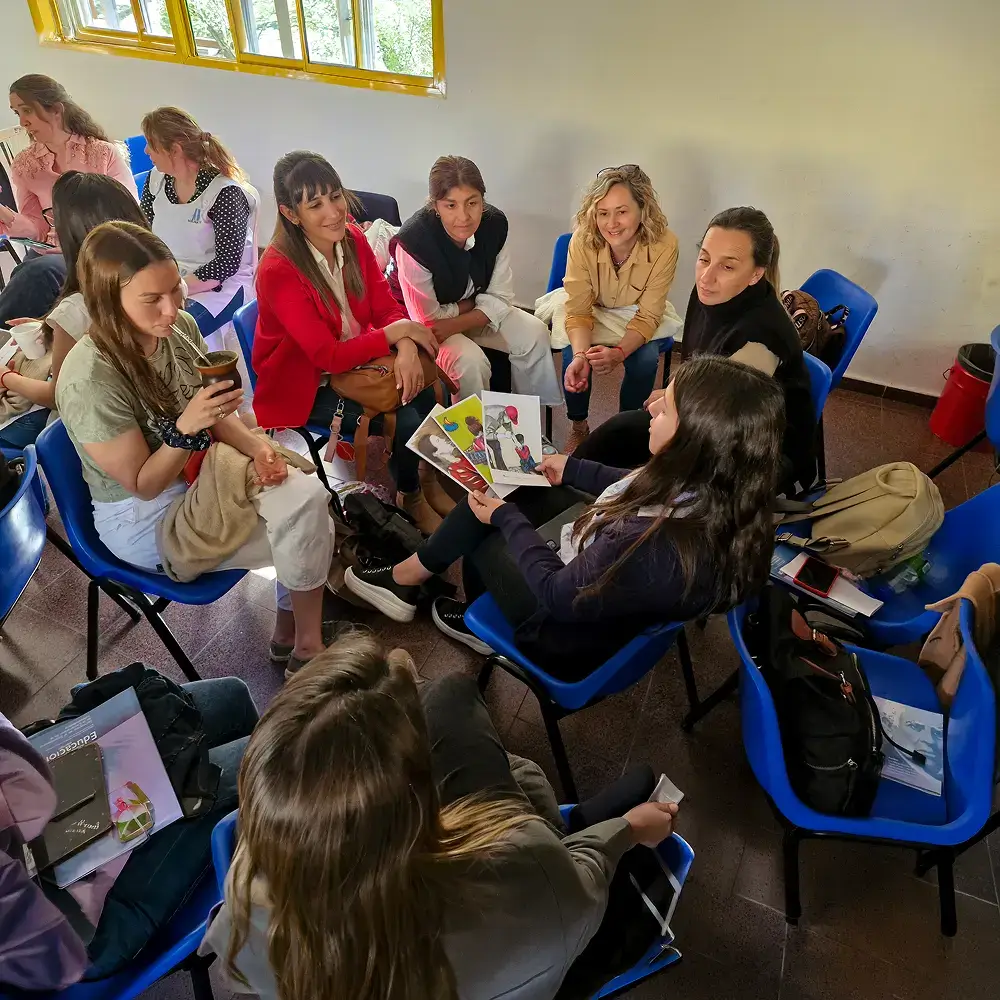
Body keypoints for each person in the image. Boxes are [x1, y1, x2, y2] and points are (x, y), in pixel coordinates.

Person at [200, 636, 681, 1000]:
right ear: (418, 798)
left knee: (478, 727)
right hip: (531, 915)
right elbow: (580, 890)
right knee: (515, 762)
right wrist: (629, 830)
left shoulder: (247, 908)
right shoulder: (525, 871)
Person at [346, 356, 784, 672]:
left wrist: (506, 520)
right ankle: (412, 575)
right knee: (510, 488)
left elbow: (556, 593)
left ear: (695, 440)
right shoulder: (720, 488)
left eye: (666, 408)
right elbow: (638, 483)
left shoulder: (643, 543)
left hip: (559, 632)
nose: (651, 408)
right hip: (601, 589)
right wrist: (572, 468)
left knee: (485, 516)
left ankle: (418, 588)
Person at [55, 221, 336, 675]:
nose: (172, 309)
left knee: (305, 497)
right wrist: (187, 426)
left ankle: (295, 638)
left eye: (175, 289)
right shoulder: (88, 378)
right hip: (142, 517)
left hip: (196, 469)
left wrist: (256, 447)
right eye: (152, 299)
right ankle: (304, 645)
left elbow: (215, 413)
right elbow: (144, 485)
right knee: (305, 524)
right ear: (108, 301)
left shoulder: (178, 327)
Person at [0, 675, 257, 987]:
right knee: (268, 759)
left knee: (232, 698)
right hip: (62, 922)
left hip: (35, 806)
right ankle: (276, 902)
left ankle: (262, 859)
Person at [252, 150, 445, 534]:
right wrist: (394, 335)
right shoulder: (278, 269)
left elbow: (385, 307)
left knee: (427, 384)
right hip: (305, 381)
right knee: (407, 414)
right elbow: (328, 356)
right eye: (315, 205)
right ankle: (411, 494)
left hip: (358, 359)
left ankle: (425, 479)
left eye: (335, 196)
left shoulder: (353, 238)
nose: (334, 211)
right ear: (291, 214)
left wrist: (407, 346)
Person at [575, 206, 817, 495]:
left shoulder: (760, 340)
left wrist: (671, 403)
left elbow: (713, 437)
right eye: (704, 259)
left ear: (756, 274)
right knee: (618, 431)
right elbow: (700, 366)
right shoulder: (710, 293)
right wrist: (674, 393)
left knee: (647, 482)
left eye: (727, 267)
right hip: (706, 413)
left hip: (751, 454)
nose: (706, 276)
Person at [387, 155, 561, 405]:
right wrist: (472, 305)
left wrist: (463, 314)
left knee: (535, 333)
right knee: (470, 362)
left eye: (472, 203)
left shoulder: (495, 224)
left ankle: (528, 419)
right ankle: (473, 427)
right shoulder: (414, 242)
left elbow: (501, 296)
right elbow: (429, 322)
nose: (464, 217)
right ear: (435, 206)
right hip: (419, 327)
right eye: (451, 205)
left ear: (483, 200)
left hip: (467, 311)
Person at [0, 172, 149, 449]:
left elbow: (56, 397)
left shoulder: (78, 306)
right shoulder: (156, 280)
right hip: (138, 412)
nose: (51, 232)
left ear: (77, 234)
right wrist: (48, 327)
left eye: (55, 221)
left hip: (78, 430)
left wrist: (6, 378)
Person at [542, 166, 680, 454]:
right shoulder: (582, 240)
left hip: (636, 311)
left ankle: (626, 428)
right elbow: (578, 310)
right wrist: (581, 355)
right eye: (603, 213)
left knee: (645, 359)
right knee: (571, 357)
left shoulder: (665, 245)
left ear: (643, 209)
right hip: (593, 308)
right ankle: (579, 426)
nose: (612, 223)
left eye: (622, 212)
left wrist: (618, 353)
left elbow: (648, 315)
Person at [0, 75, 136, 326]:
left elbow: (128, 216)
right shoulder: (25, 165)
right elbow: (37, 229)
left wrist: (81, 243)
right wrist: (4, 213)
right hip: (49, 251)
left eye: (27, 110)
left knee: (37, 273)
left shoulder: (102, 153)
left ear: (56, 109)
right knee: (26, 274)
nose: (22, 122)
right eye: (17, 112)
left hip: (97, 250)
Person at [140, 107, 258, 345]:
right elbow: (143, 234)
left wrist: (174, 290)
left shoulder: (225, 193)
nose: (146, 151)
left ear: (175, 150)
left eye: (151, 144)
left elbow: (226, 264)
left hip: (219, 288)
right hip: (170, 279)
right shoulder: (156, 181)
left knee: (170, 333)